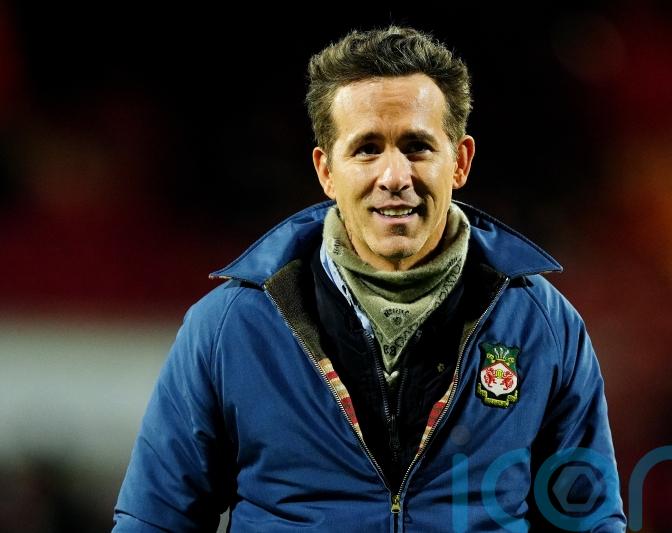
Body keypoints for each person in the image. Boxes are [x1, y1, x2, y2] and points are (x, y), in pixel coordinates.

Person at [113, 26, 626, 532]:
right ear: (326, 171)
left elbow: (587, 519)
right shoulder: (229, 327)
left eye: (417, 146)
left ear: (460, 161)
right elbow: (156, 521)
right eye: (367, 149)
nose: (395, 177)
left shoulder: (542, 325)